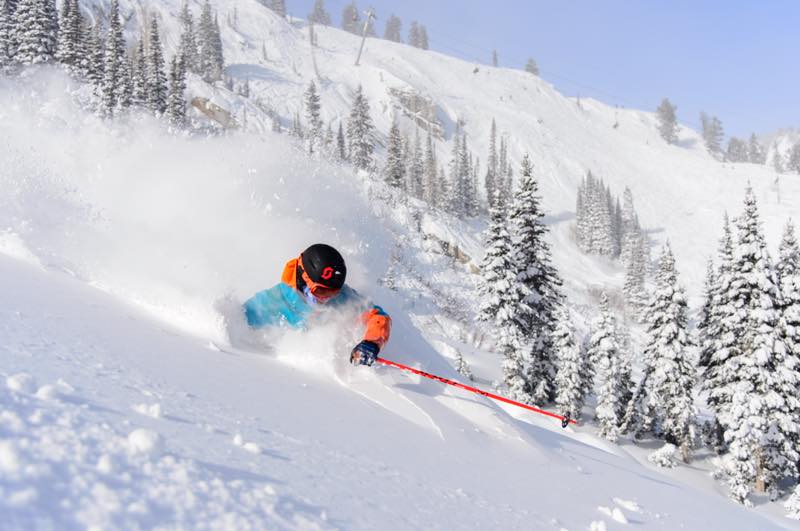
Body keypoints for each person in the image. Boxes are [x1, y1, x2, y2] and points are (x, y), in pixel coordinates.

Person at [242, 243, 391, 366]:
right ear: (304, 278)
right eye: (321, 291)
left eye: (333, 292)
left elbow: (377, 316)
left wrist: (372, 342)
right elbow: (235, 327)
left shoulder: (342, 299)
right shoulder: (269, 303)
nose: (326, 299)